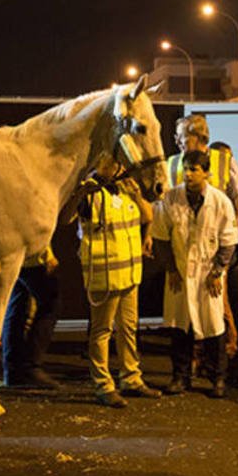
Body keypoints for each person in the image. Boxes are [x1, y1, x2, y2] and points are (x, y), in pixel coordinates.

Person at [152, 149, 238, 398]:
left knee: (214, 328)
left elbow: (229, 241)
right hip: (180, 271)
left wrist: (217, 271)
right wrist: (170, 268)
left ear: (206, 173)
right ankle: (180, 377)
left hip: (207, 272)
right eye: (186, 168)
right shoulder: (171, 198)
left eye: (194, 169)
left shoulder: (220, 201)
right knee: (181, 328)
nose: (188, 174)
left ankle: (217, 378)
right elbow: (160, 237)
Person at [76, 157, 161, 408]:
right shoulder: (90, 190)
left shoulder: (126, 189)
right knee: (102, 332)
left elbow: (147, 216)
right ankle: (103, 385)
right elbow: (68, 218)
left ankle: (131, 378)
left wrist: (136, 193)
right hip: (104, 274)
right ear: (103, 165)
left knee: (128, 328)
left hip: (130, 272)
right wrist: (84, 191)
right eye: (116, 164)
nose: (121, 169)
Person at [168, 115, 238, 357]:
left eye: (182, 136)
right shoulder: (173, 163)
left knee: (216, 299)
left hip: (214, 245)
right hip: (183, 245)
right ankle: (196, 355)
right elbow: (163, 201)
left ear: (198, 136)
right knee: (187, 302)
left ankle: (224, 350)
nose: (177, 141)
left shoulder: (224, 161)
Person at [0, 244, 61, 389]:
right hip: (33, 256)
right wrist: (48, 254)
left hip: (13, 254)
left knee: (17, 304)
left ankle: (12, 370)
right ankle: (31, 366)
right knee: (50, 304)